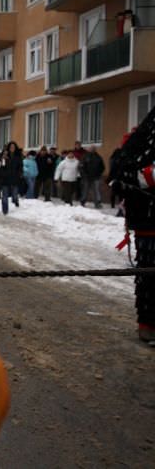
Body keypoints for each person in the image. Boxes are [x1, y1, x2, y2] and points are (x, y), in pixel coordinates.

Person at [108, 109, 155, 344]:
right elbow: (120, 178)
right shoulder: (138, 145)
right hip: (149, 224)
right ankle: (147, 323)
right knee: (148, 276)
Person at [0, 141, 23, 214]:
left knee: (14, 195)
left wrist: (19, 174)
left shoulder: (18, 157)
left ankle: (16, 200)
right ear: (8, 148)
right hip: (5, 179)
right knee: (4, 196)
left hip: (14, 179)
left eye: (13, 147)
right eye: (11, 147)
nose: (12, 148)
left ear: (15, 148)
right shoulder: (4, 155)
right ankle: (5, 210)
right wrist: (2, 158)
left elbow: (20, 167)